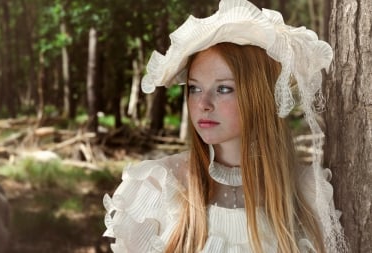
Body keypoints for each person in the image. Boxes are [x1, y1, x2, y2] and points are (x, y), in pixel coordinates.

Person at [103, 0, 347, 252]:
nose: (203, 103)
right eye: (195, 88)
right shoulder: (158, 186)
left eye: (223, 89)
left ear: (259, 97)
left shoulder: (307, 194)